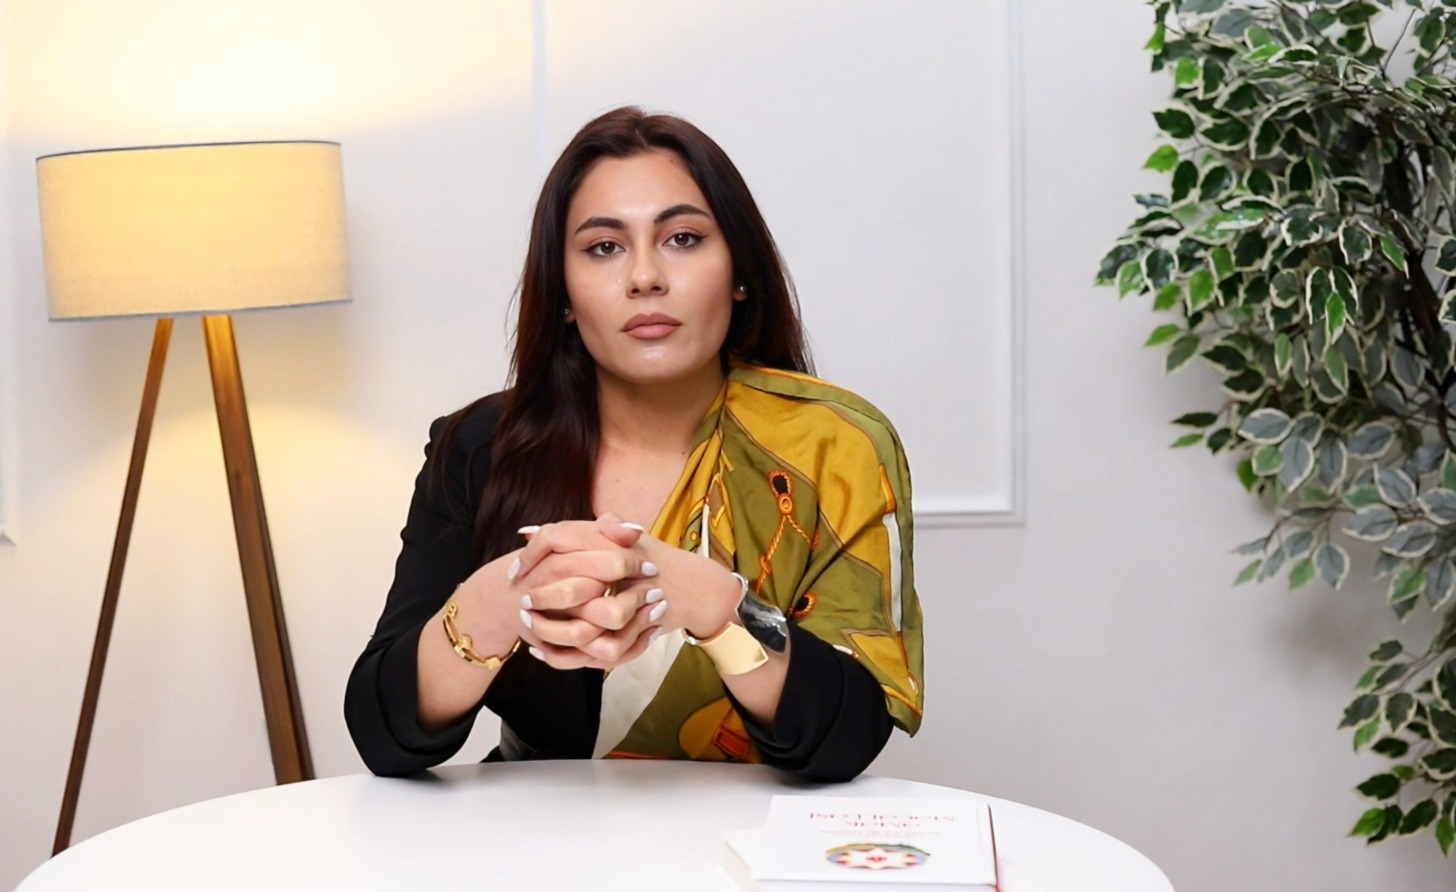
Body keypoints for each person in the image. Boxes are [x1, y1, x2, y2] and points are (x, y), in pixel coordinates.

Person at [345, 106, 923, 782]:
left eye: (683, 238)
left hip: (756, 830)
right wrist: (504, 599)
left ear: (739, 272)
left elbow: (849, 739)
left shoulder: (832, 447)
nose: (644, 277)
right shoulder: (479, 447)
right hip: (541, 832)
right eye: (604, 247)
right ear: (563, 291)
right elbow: (383, 738)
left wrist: (715, 605)